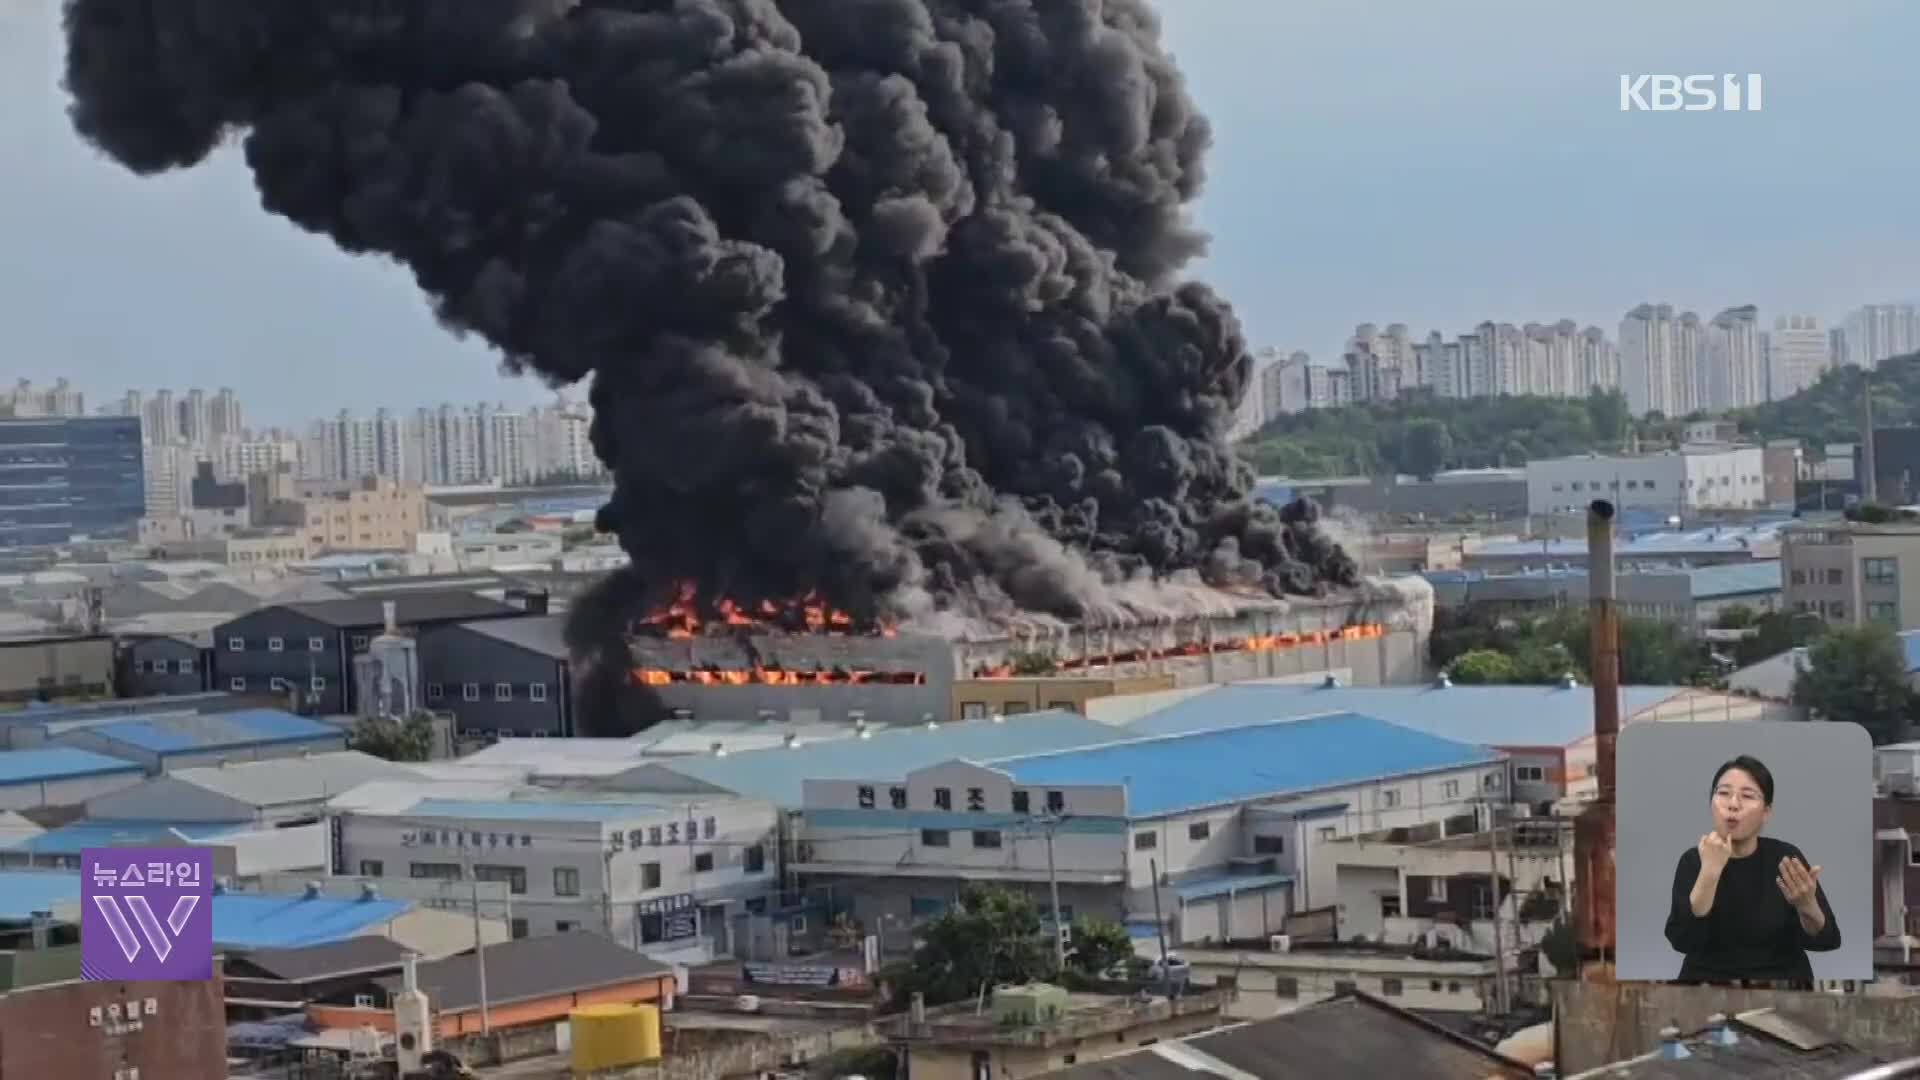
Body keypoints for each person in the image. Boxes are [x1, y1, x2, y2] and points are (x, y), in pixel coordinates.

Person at [1663, 754, 1840, 986]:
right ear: (1711, 803)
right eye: (1723, 793)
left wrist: (1807, 905)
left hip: (1781, 988)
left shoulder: (1784, 859)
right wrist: (1710, 872)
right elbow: (1682, 940)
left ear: (1766, 812)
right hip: (1707, 988)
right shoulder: (1693, 861)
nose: (1733, 804)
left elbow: (1828, 940)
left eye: (1747, 796)